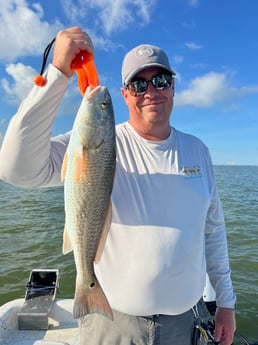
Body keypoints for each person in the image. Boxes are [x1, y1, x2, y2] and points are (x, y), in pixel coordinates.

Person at [0, 26, 236, 345]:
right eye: (138, 84)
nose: (151, 90)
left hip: (187, 322)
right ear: (125, 94)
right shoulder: (99, 141)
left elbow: (214, 230)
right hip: (112, 324)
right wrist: (57, 74)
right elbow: (16, 167)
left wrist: (226, 303)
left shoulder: (198, 150)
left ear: (174, 87)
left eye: (161, 80)